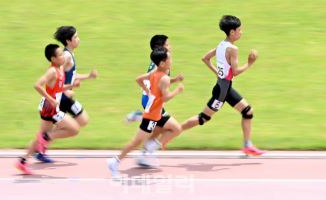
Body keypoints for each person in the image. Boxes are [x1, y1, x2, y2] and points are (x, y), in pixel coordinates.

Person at [181, 15, 265, 156]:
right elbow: (236, 72)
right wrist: (250, 63)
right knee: (203, 118)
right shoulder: (233, 49)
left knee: (247, 112)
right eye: (239, 30)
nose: (241, 32)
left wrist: (219, 73)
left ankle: (247, 145)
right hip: (222, 92)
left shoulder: (221, 45)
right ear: (232, 32)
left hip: (225, 87)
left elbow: (205, 58)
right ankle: (174, 130)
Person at [108, 47, 184, 179]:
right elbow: (165, 97)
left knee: (175, 128)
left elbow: (139, 79)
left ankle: (142, 128)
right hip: (152, 114)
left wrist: (149, 89)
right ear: (162, 63)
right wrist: (177, 90)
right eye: (169, 59)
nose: (171, 60)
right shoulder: (164, 78)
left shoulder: (154, 73)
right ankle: (114, 161)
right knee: (136, 142)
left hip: (155, 112)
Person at [34, 26, 98, 163]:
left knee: (82, 120)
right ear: (68, 41)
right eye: (76, 37)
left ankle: (42, 146)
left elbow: (71, 75)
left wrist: (88, 76)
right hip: (61, 98)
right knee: (76, 123)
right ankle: (42, 144)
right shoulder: (66, 56)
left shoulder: (69, 54)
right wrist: (65, 89)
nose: (78, 39)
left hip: (65, 97)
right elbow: (58, 75)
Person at [15, 44, 81, 174]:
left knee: (39, 137)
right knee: (74, 129)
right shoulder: (52, 71)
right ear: (53, 59)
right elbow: (37, 85)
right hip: (50, 108)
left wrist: (72, 85)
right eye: (60, 55)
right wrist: (50, 99)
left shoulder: (60, 69)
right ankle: (47, 137)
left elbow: (58, 88)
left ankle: (22, 161)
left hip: (47, 107)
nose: (63, 56)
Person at [126, 35, 183, 167]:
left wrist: (175, 79)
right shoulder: (161, 65)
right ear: (161, 48)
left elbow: (159, 80)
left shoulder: (159, 63)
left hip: (149, 100)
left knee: (158, 130)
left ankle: (144, 156)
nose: (171, 47)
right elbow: (153, 79)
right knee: (175, 129)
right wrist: (177, 89)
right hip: (152, 102)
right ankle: (139, 117)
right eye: (168, 45)